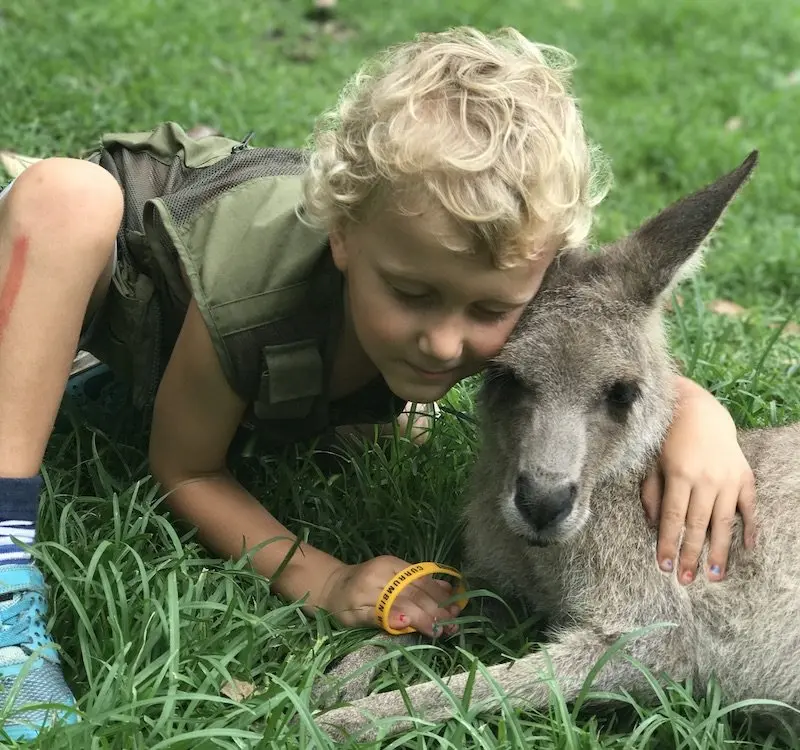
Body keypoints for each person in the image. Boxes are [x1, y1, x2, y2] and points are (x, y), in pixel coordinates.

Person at [0, 27, 755, 740]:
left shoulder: (481, 281)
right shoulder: (260, 298)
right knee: (66, 199)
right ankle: (5, 571)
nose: (445, 341)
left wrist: (696, 413)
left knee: (382, 425)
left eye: (492, 309)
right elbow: (187, 468)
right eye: (411, 293)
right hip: (122, 283)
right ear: (343, 240)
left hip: (223, 346)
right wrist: (325, 580)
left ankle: (105, 385)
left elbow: (591, 341)